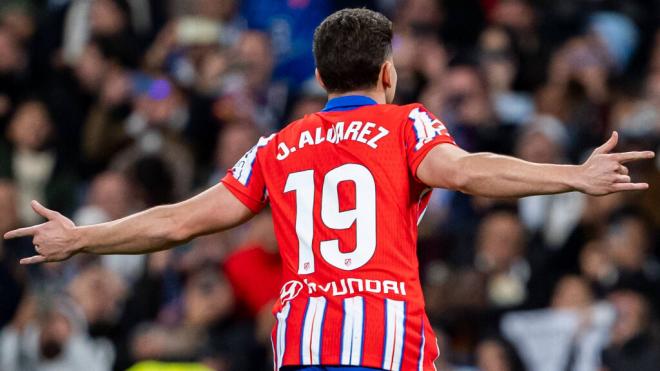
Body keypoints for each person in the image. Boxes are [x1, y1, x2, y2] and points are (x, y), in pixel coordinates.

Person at [3, 8, 655, 371]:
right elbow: (465, 170)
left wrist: (84, 236)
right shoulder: (407, 124)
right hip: (388, 344)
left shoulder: (278, 146)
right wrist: (574, 174)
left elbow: (180, 222)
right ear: (389, 71)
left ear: (318, 75)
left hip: (305, 347)